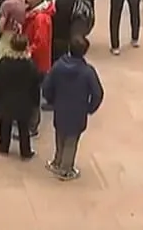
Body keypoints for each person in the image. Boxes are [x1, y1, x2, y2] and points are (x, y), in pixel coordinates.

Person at [42, 37, 104, 181]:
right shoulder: (88, 72)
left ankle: (57, 161)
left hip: (60, 107)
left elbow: (47, 86)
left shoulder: (58, 66)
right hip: (78, 111)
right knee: (71, 140)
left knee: (60, 135)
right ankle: (66, 169)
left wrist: (52, 101)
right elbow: (97, 93)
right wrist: (90, 108)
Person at [0, 34, 40, 159]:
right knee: (24, 128)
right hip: (25, 102)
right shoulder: (30, 66)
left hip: (6, 101)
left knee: (5, 125)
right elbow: (35, 86)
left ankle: (3, 147)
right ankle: (26, 151)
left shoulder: (4, 63)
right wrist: (35, 101)